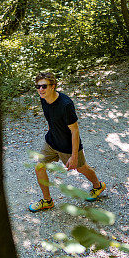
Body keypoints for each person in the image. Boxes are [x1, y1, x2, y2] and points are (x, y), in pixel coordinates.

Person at [28, 72, 106, 212]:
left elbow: (75, 131)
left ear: (53, 86)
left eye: (44, 86)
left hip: (68, 147)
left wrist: (74, 155)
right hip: (51, 142)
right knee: (39, 167)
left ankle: (98, 186)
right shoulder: (43, 99)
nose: (40, 90)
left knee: (82, 168)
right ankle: (47, 201)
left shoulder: (66, 104)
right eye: (38, 86)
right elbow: (51, 120)